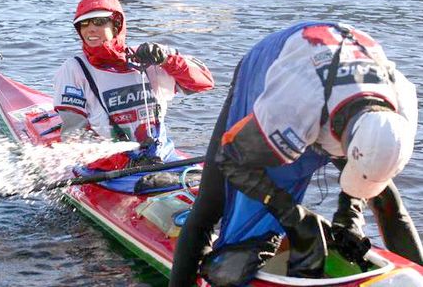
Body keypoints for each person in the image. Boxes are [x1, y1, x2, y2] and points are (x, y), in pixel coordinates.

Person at [169, 22, 423, 287]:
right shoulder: (294, 102)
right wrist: (293, 215)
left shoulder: (402, 103)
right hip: (274, 65)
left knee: (387, 202)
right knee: (212, 203)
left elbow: (369, 168)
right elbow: (230, 159)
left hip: (342, 93)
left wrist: (349, 212)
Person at [53, 0, 214, 170]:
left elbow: (204, 82)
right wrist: (123, 162)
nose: (90, 29)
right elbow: (74, 137)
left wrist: (167, 61)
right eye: (84, 23)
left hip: (163, 158)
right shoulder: (74, 69)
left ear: (116, 25)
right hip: (110, 170)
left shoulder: (149, 57)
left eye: (99, 22)